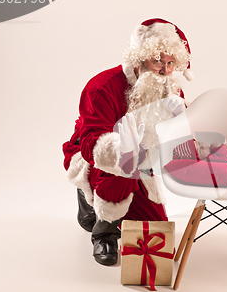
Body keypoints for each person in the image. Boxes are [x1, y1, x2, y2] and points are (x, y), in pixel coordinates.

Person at [62, 18, 193, 266]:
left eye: (170, 63)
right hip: (95, 161)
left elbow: (175, 141)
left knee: (156, 234)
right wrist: (125, 148)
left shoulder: (171, 90)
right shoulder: (101, 87)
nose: (165, 71)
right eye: (157, 62)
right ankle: (104, 231)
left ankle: (110, 206)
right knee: (125, 165)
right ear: (140, 58)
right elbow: (91, 145)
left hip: (143, 168)